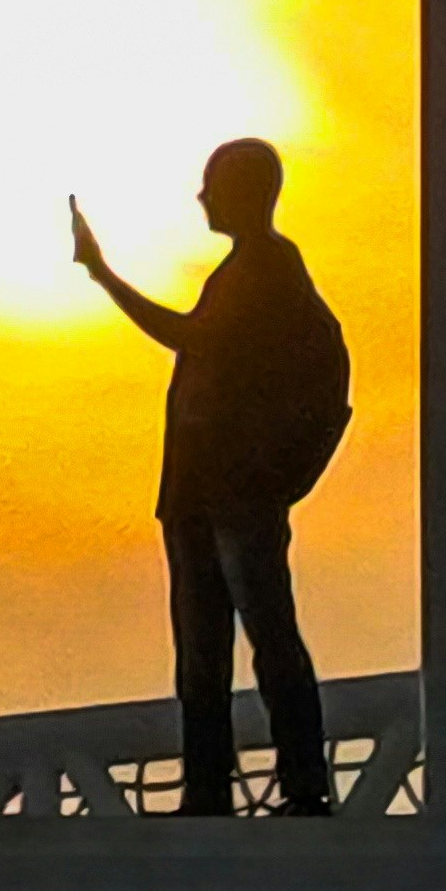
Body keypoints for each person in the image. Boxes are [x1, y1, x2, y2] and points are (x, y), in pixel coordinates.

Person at [70, 139, 352, 816]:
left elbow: (190, 337)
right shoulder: (240, 273)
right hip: (198, 491)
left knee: (266, 638)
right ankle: (207, 791)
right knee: (201, 653)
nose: (202, 197)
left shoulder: (267, 269)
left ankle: (303, 787)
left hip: (237, 491)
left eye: (213, 185)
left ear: (246, 193)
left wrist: (104, 275)